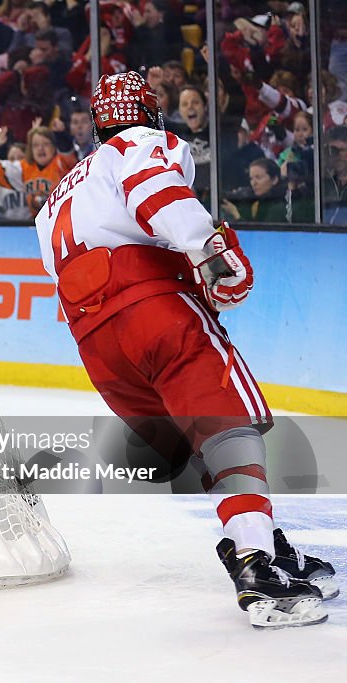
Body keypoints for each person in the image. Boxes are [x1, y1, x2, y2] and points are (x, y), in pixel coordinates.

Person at [33, 71, 335, 628]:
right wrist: (210, 254)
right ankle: (255, 563)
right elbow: (156, 193)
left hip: (95, 343)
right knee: (227, 425)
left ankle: (261, 536)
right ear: (150, 113)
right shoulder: (141, 143)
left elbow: (72, 268)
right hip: (154, 313)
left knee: (193, 444)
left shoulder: (55, 195)